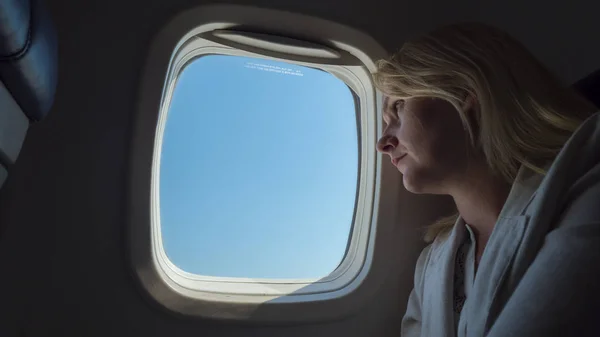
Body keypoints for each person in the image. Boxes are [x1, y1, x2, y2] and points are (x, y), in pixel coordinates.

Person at [374, 22, 600, 337]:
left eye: (398, 107)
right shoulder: (432, 266)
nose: (382, 143)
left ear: (466, 93)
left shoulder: (586, 185)